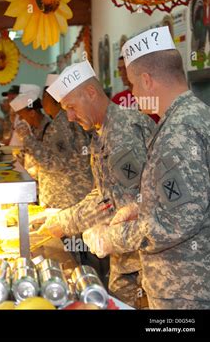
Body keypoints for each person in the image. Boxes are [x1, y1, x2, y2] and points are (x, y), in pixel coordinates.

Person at [83, 26, 210, 309]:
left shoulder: (180, 130)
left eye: (132, 84)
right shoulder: (194, 115)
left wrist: (111, 238)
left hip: (187, 289)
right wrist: (140, 206)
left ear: (147, 80)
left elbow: (178, 221)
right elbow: (189, 196)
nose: (132, 92)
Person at [36, 60, 155, 307]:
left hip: (144, 263)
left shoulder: (121, 134)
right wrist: (62, 216)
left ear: (91, 93)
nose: (68, 117)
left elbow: (126, 203)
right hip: (126, 258)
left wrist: (66, 222)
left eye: (71, 107)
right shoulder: (103, 131)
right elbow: (102, 193)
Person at [14, 77, 93, 209]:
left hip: (67, 198)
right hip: (65, 198)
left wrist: (27, 138)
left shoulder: (62, 124)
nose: (43, 102)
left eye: (44, 97)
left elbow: (55, 163)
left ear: (52, 97)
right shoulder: (60, 121)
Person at [112, 56, 160, 123]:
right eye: (120, 69)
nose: (122, 73)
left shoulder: (153, 96)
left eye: (125, 68)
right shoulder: (117, 100)